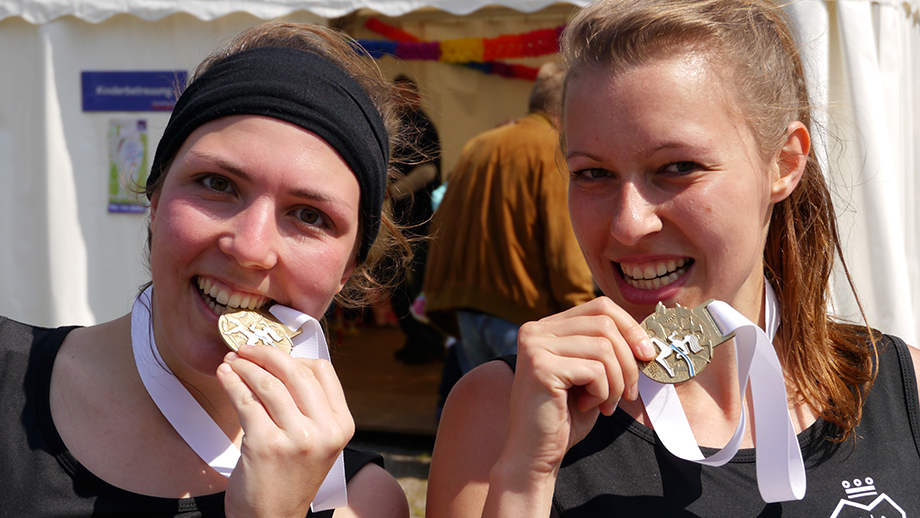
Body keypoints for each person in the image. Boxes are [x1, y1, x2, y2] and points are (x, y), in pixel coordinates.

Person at [426, 0, 920, 515]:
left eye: (678, 166)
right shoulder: (500, 414)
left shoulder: (900, 388)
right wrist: (527, 475)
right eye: (592, 173)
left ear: (784, 163)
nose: (628, 223)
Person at [1, 21, 411, 518]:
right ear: (154, 199)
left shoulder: (361, 503)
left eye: (309, 216)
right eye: (217, 183)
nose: (250, 248)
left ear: (348, 269)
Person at [422, 63, 595, 373]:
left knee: (489, 417)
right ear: (563, 109)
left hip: (466, 312)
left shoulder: (480, 144)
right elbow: (563, 243)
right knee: (532, 419)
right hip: (523, 317)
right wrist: (583, 312)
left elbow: (443, 225)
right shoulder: (551, 148)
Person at [387, 75, 446, 364]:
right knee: (399, 282)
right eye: (393, 95)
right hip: (405, 222)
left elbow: (428, 172)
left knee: (410, 283)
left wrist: (393, 192)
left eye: (402, 95)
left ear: (415, 98)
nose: (397, 100)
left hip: (418, 222)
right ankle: (417, 339)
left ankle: (426, 342)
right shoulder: (405, 125)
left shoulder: (420, 126)